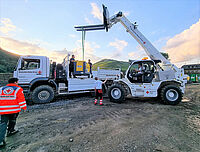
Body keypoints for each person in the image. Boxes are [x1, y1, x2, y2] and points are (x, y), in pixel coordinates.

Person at [0, 78, 27, 148]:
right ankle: (10, 131)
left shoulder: (1, 89)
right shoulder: (18, 89)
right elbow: (21, 99)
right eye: (17, 82)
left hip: (3, 110)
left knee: (3, 124)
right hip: (13, 110)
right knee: (12, 120)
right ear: (15, 82)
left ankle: (0, 141)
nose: (18, 83)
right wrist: (24, 107)